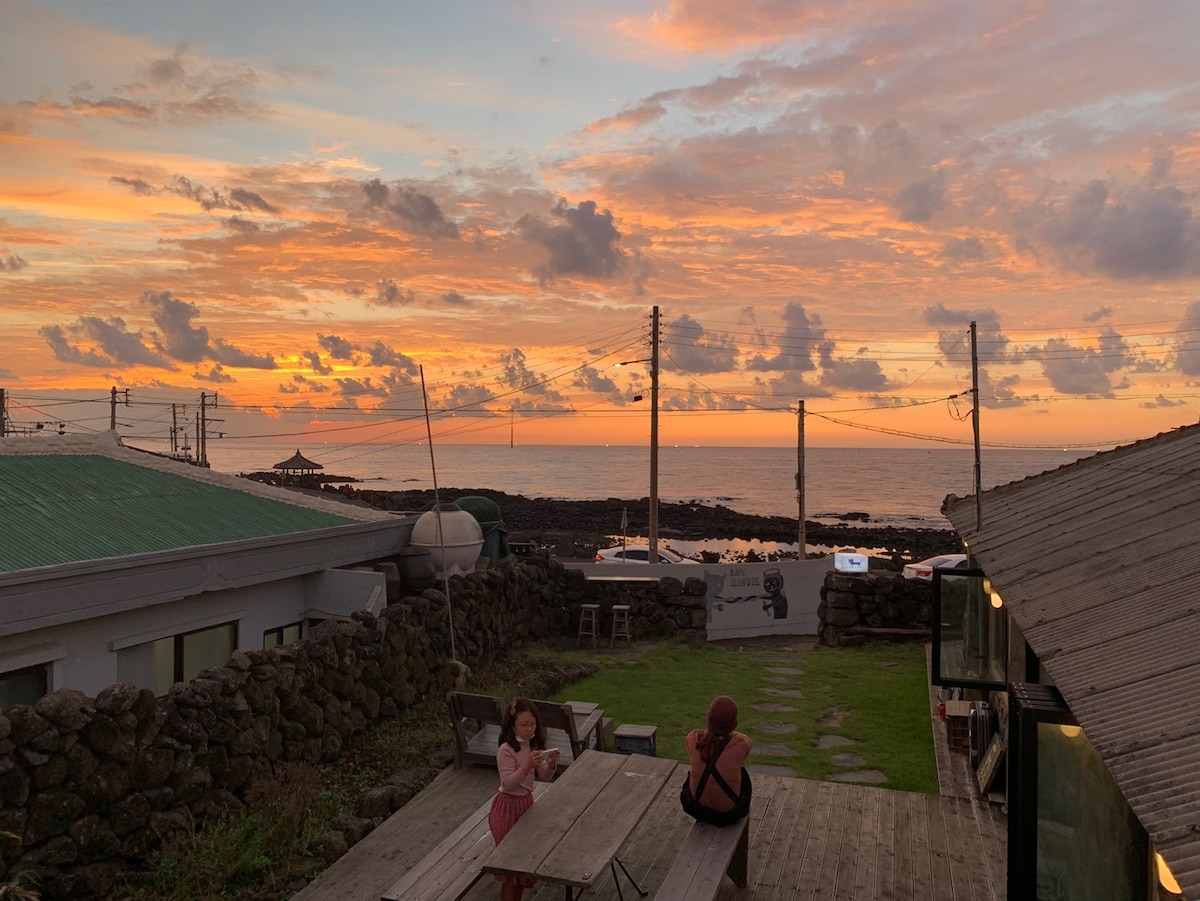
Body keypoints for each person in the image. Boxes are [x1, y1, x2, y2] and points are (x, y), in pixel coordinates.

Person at [488, 697, 560, 901]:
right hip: (507, 809)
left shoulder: (533, 744)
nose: (529, 729)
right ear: (512, 726)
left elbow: (543, 776)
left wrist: (551, 765)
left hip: (526, 806)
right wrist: (526, 766)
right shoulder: (506, 750)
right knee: (510, 871)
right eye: (524, 725)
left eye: (533, 724)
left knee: (520, 868)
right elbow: (508, 783)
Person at [680, 695, 753, 826]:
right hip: (729, 814)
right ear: (734, 724)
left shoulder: (693, 739)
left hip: (696, 808)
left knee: (694, 770)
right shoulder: (742, 745)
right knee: (741, 771)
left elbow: (698, 734)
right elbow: (744, 739)